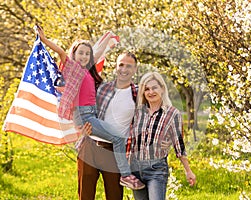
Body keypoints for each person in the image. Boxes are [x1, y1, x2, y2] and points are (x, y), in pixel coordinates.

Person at [36, 27, 145, 191]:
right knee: (117, 138)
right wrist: (44, 40)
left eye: (87, 54)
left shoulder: (86, 71)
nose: (84, 57)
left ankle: (124, 174)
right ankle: (125, 176)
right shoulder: (72, 68)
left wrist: (106, 38)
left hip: (90, 113)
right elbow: (60, 52)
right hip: (84, 115)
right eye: (81, 53)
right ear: (74, 54)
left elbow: (97, 53)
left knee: (116, 138)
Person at [77, 52, 139, 200]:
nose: (124, 69)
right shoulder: (101, 88)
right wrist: (81, 128)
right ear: (116, 67)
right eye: (121, 65)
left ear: (135, 69)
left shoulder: (138, 93)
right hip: (90, 145)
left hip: (115, 152)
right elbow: (84, 109)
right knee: (85, 195)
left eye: (129, 66)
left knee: (115, 196)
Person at [128, 72, 196, 200]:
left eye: (154, 88)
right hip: (136, 169)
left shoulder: (172, 113)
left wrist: (188, 170)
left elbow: (178, 144)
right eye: (147, 89)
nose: (151, 92)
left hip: (156, 170)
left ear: (162, 89)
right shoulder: (138, 112)